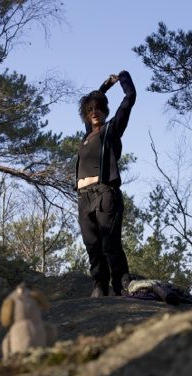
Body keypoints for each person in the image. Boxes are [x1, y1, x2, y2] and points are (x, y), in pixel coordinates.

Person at [75, 70, 136, 297]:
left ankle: (122, 285)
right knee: (92, 246)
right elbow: (94, 98)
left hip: (105, 194)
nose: (94, 113)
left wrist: (122, 77)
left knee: (109, 245)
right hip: (83, 198)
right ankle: (99, 286)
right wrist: (104, 85)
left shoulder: (111, 130)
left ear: (105, 110)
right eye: (90, 110)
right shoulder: (87, 135)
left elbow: (129, 98)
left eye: (98, 109)